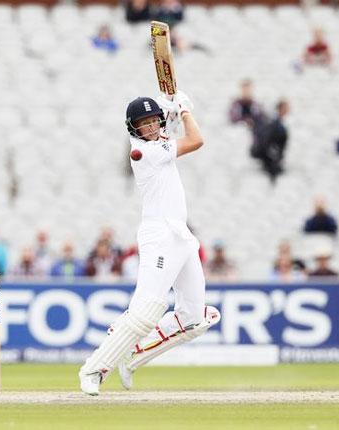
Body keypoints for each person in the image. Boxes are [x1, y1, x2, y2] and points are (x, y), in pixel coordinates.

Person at [79, 92, 221, 395]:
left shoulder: (157, 142)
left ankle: (133, 357)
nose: (151, 128)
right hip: (159, 235)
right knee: (146, 309)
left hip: (180, 235)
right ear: (134, 129)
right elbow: (196, 140)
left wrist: (167, 109)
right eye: (143, 124)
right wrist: (182, 110)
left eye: (153, 121)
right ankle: (94, 369)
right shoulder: (143, 153)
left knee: (195, 317)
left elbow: (165, 134)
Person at [251, 99, 290, 183]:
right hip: (267, 153)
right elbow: (266, 139)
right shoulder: (273, 122)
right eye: (286, 108)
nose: (288, 110)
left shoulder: (278, 122)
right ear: (281, 108)